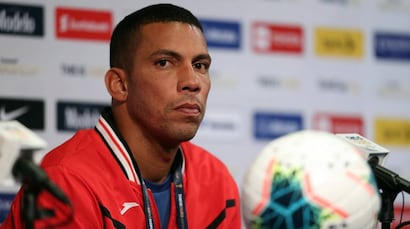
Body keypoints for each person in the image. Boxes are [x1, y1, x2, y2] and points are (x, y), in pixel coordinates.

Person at [1, 3, 241, 229]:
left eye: (200, 65)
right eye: (165, 63)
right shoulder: (64, 181)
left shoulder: (216, 180)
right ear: (119, 85)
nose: (192, 82)